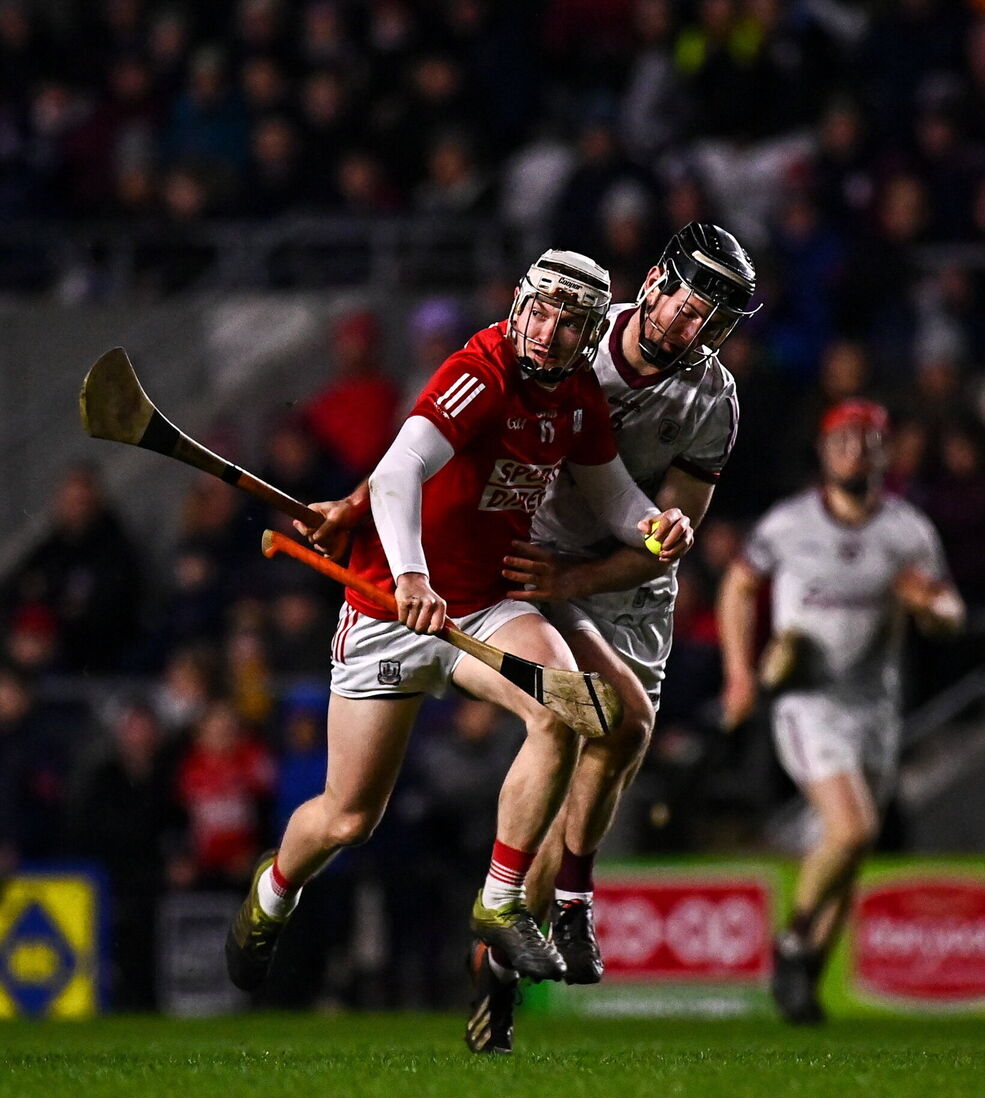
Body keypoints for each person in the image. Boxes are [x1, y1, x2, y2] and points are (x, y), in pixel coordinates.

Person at [225, 248, 690, 997]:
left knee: (565, 706)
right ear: (518, 304)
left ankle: (501, 902)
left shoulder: (576, 398)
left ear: (588, 333)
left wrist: (653, 525)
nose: (547, 332)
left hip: (484, 604)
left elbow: (611, 497)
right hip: (387, 610)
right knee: (348, 820)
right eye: (539, 312)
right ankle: (273, 893)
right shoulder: (481, 370)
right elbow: (401, 469)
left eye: (568, 323)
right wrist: (409, 575)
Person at [467, 221, 761, 1054]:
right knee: (614, 723)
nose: (689, 324)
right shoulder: (576, 329)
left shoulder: (713, 397)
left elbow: (672, 535)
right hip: (534, 565)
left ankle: (501, 952)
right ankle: (572, 904)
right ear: (656, 280)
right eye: (686, 301)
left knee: (608, 757)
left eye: (711, 317)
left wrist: (650, 542)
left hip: (626, 593)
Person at [717, 399, 965, 1024]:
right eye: (842, 441)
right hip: (807, 700)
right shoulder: (790, 524)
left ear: (884, 453)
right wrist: (742, 673)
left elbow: (950, 612)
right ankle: (793, 940)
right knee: (851, 829)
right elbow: (738, 587)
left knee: (850, 849)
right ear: (824, 452)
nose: (854, 452)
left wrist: (931, 608)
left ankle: (803, 985)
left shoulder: (906, 530)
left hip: (876, 705)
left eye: (866, 442)